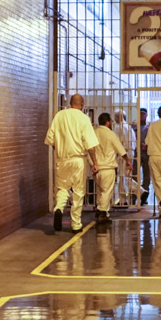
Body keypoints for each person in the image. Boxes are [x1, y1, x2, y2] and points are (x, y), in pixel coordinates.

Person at [43, 94, 96, 231]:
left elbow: (50, 139)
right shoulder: (84, 119)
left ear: (70, 102)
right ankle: (76, 224)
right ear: (82, 104)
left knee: (62, 188)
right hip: (78, 160)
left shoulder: (59, 116)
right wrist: (94, 162)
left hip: (62, 159)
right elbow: (90, 145)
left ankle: (59, 208)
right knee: (78, 192)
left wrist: (59, 151)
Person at [91, 113, 128, 223]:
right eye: (111, 121)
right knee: (106, 192)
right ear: (108, 122)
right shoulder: (110, 134)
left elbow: (89, 149)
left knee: (99, 191)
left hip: (97, 167)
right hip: (108, 167)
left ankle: (102, 210)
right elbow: (120, 149)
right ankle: (102, 212)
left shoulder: (94, 133)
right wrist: (128, 161)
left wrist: (92, 164)